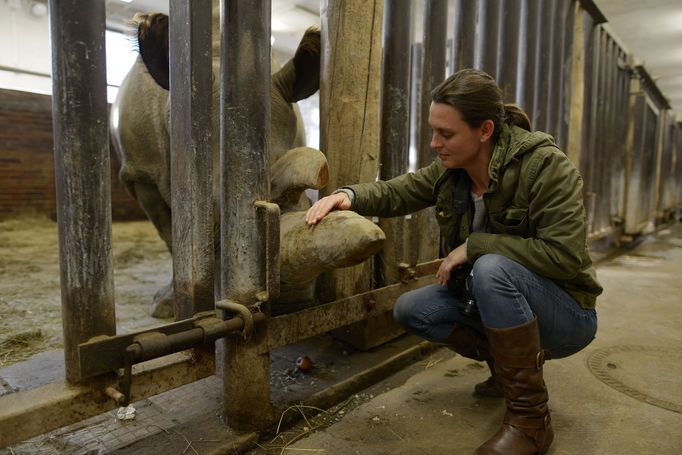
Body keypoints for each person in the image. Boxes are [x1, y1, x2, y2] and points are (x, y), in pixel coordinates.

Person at [305, 68, 601, 455]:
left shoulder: (545, 166)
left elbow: (563, 256)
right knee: (414, 308)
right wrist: (347, 196)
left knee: (492, 267)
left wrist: (475, 246)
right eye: (433, 131)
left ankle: (531, 422)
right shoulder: (452, 171)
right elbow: (399, 191)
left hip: (567, 314)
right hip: (505, 304)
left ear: (485, 130)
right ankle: (507, 373)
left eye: (446, 134)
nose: (434, 143)